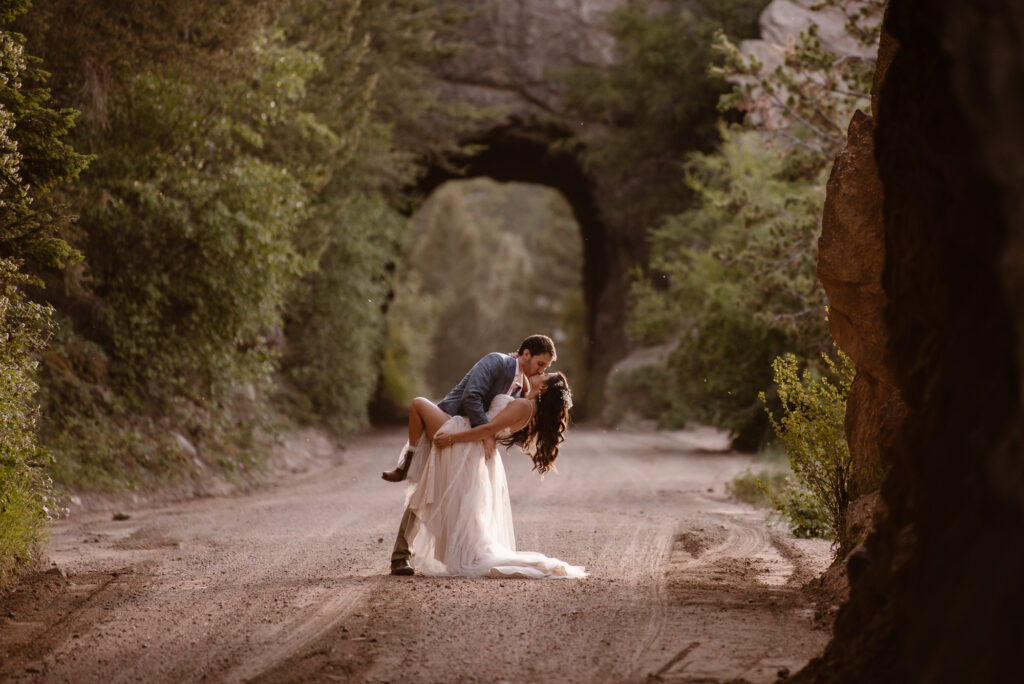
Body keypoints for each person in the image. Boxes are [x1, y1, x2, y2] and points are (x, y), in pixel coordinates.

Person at [391, 370, 585, 579]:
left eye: (545, 373)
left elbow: (487, 430)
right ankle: (404, 553)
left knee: (419, 404)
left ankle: (408, 460)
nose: (540, 372)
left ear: (544, 388)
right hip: (472, 450)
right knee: (434, 495)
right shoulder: (530, 408)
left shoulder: (522, 406)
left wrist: (451, 439)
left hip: (462, 441)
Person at [382, 334, 556, 484]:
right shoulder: (496, 361)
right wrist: (487, 435)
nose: (541, 371)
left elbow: (505, 422)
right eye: (540, 364)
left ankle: (408, 466)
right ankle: (407, 464)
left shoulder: (522, 388)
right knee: (419, 404)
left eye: (545, 368)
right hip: (452, 417)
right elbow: (471, 397)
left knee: (418, 403)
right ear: (526, 354)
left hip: (469, 434)